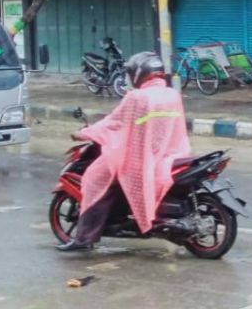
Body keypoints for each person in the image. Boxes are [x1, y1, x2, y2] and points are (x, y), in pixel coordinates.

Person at [57, 52, 191, 252]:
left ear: (139, 74)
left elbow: (114, 123)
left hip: (142, 158)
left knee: (96, 180)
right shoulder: (172, 94)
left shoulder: (137, 97)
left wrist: (84, 133)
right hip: (171, 155)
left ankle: (84, 238)